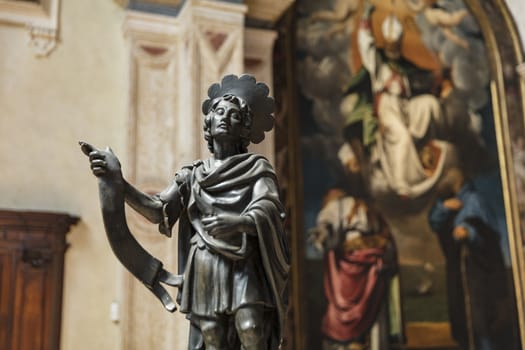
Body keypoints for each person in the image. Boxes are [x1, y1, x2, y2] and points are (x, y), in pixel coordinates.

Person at [82, 75, 290, 350]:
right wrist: (118, 182)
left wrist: (238, 221)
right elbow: (157, 210)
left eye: (235, 115)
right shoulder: (192, 175)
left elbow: (269, 208)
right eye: (218, 111)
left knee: (251, 330)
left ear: (245, 129)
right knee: (212, 338)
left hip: (244, 261)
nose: (225, 117)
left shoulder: (257, 168)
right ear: (209, 122)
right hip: (205, 261)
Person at [357, 3, 447, 198]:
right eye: (390, 45)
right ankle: (401, 183)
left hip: (405, 104)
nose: (393, 49)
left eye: (396, 45)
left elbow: (424, 77)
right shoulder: (378, 62)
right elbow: (366, 45)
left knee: (430, 104)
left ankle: (434, 144)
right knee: (403, 137)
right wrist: (365, 20)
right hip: (387, 108)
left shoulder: (405, 65)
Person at [428, 168, 519, 350]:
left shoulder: (474, 200)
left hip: (478, 268)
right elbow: (435, 222)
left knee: (481, 318)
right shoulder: (448, 201)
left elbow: (488, 232)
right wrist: (444, 207)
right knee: (463, 315)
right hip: (459, 268)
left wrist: (469, 233)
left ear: (457, 182)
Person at [309, 190, 400, 350]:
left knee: (372, 305)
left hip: (370, 266)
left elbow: (386, 237)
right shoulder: (339, 205)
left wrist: (380, 247)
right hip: (348, 263)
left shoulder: (372, 210)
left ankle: (368, 342)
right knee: (342, 305)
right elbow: (328, 229)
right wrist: (323, 234)